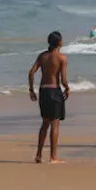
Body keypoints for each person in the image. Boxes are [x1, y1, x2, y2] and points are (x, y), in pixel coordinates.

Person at [28, 31, 70, 164]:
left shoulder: (42, 56)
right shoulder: (61, 58)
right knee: (55, 124)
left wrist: (31, 90)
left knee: (45, 123)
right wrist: (67, 88)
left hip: (43, 91)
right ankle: (53, 157)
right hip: (54, 91)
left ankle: (39, 155)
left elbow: (31, 73)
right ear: (60, 42)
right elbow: (63, 79)